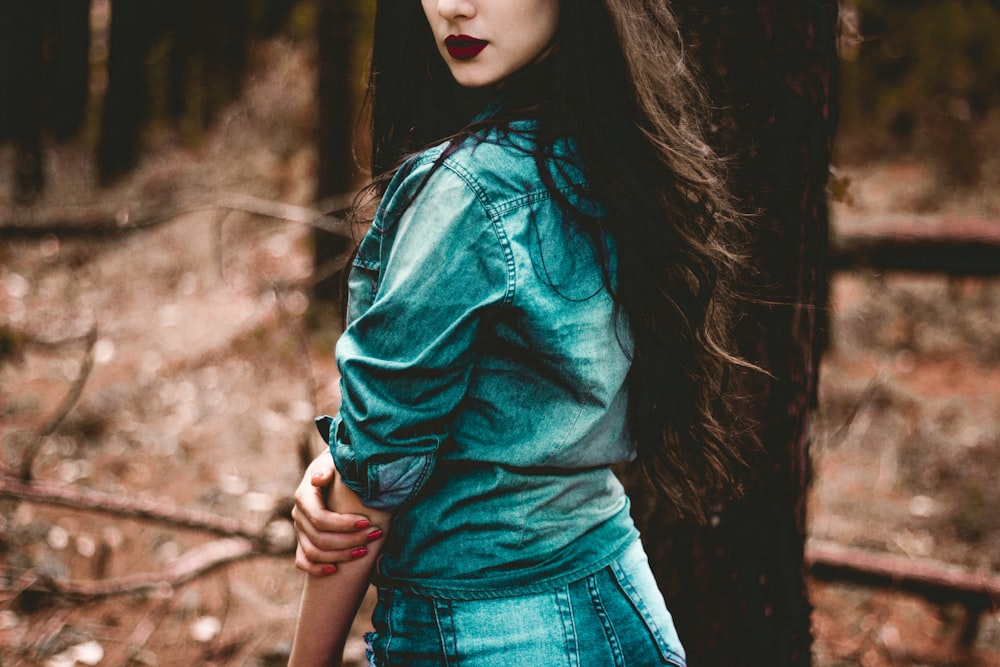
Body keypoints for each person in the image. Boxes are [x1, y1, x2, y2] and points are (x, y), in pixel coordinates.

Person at [289, 0, 753, 665]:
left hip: (487, 629)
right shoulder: (615, 154)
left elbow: (379, 473)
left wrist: (353, 482)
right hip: (622, 608)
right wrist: (347, 463)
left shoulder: (466, 195)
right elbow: (516, 417)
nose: (454, 6)